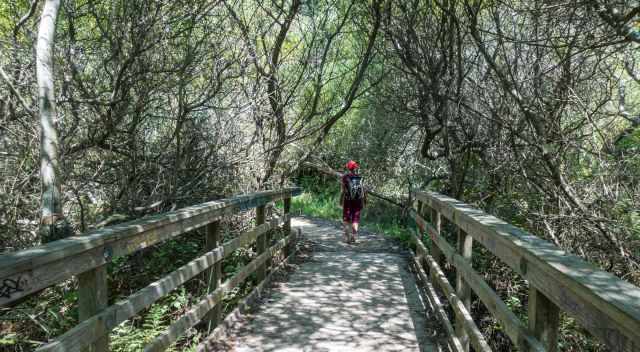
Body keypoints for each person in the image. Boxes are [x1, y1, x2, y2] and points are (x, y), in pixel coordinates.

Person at [340, 160, 366, 243]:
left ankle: (347, 238)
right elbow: (364, 191)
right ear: (355, 168)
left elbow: (343, 190)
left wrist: (340, 200)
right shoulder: (359, 177)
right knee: (355, 219)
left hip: (348, 201)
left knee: (346, 219)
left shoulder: (345, 177)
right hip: (358, 201)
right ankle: (354, 236)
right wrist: (364, 200)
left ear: (348, 167)